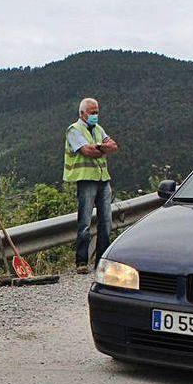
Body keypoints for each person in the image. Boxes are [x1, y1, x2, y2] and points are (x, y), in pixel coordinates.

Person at [64, 98, 119, 273]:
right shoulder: (74, 130)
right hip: (86, 179)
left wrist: (98, 147)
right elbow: (87, 151)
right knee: (85, 221)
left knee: (106, 222)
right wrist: (103, 148)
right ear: (82, 113)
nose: (95, 115)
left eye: (97, 112)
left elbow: (114, 146)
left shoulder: (98, 129)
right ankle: (81, 261)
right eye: (92, 112)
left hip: (103, 179)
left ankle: (101, 262)